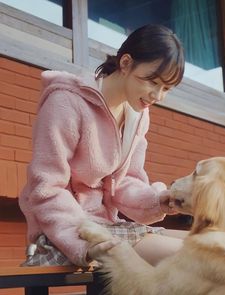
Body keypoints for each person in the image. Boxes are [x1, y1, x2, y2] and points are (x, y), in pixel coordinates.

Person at [19, 24, 186, 268]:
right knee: (201, 260)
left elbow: (124, 182)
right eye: (152, 82)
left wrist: (159, 200)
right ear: (126, 63)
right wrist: (86, 240)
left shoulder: (137, 115)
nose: (157, 96)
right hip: (62, 233)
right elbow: (47, 188)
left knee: (216, 247)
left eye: (167, 88)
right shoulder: (66, 102)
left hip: (106, 226)